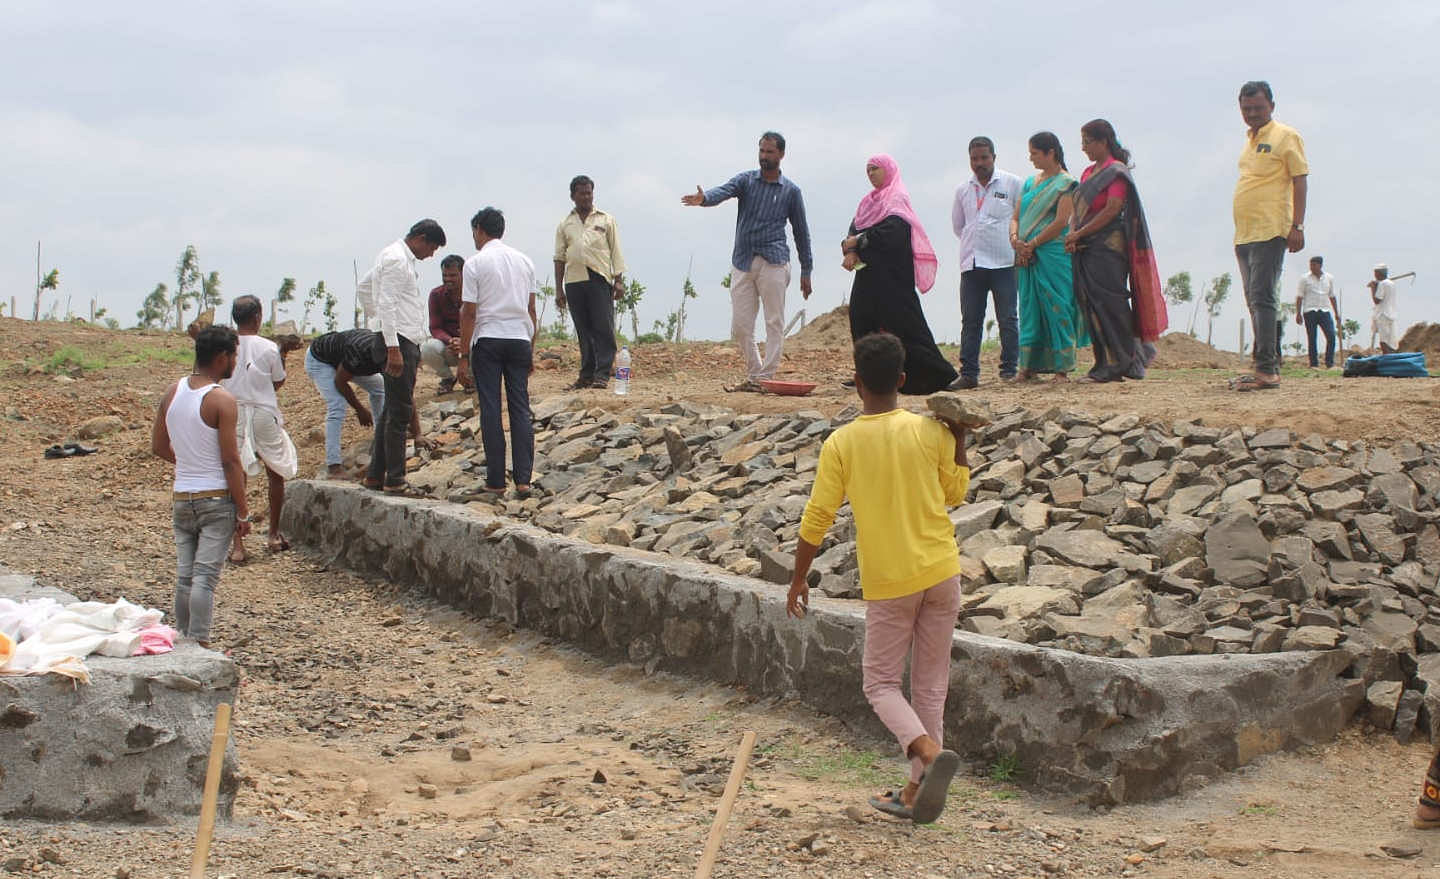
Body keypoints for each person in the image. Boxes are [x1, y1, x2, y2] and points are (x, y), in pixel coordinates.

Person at [787, 332, 968, 824]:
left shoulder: (842, 442)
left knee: (881, 684)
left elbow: (817, 517)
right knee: (930, 687)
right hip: (943, 571)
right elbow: (954, 493)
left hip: (893, 582)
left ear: (858, 382)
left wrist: (799, 578)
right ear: (903, 381)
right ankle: (914, 792)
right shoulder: (932, 431)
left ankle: (927, 753)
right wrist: (961, 439)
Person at [681, 131, 814, 392]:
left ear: (781, 155)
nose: (764, 157)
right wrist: (704, 198)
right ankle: (755, 373)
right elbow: (724, 191)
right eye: (762, 151)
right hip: (743, 261)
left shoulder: (791, 191)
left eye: (770, 152)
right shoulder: (746, 181)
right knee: (741, 326)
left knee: (774, 321)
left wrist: (806, 270)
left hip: (774, 261)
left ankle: (766, 377)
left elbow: (801, 232)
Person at [150, 326, 251, 648]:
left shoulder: (172, 392)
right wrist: (244, 511)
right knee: (205, 579)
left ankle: (181, 638)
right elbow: (231, 461)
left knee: (185, 577)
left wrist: (188, 465)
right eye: (234, 355)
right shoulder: (221, 400)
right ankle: (200, 641)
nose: (235, 361)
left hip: (183, 497)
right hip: (216, 499)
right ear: (222, 358)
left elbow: (159, 446)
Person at [841, 154, 958, 394]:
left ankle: (935, 375)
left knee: (904, 326)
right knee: (862, 321)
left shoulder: (896, 198)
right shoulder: (867, 203)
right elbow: (854, 228)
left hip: (893, 278)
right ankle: (868, 374)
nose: (871, 173)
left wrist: (858, 241)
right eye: (868, 170)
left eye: (876, 169)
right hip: (867, 275)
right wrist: (851, 248)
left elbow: (892, 233)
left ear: (889, 170)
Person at [1064, 120, 1167, 383]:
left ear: (1103, 142)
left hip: (1108, 248)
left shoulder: (1116, 172)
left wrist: (1081, 233)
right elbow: (1077, 210)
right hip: (1084, 248)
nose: (1084, 147)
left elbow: (1112, 209)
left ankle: (1121, 361)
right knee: (1090, 303)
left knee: (1111, 303)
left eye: (1088, 142)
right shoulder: (1088, 173)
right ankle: (1103, 362)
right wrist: (1073, 232)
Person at [1231, 80, 1308, 391]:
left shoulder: (1286, 136)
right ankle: (1265, 362)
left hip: (1271, 228)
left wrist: (1297, 226)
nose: (1252, 113)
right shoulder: (1249, 141)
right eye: (1247, 109)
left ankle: (1267, 370)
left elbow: (1300, 180)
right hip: (1245, 232)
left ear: (1271, 106)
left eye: (1258, 108)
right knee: (1254, 298)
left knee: (1263, 296)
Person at [458, 207, 538, 496]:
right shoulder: (524, 261)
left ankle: (495, 481)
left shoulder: (475, 263)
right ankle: (524, 479)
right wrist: (531, 347)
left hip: (489, 339)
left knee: (491, 409)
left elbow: (469, 313)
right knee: (520, 408)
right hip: (519, 339)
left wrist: (463, 356)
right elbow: (531, 310)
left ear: (479, 230)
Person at [367, 218, 446, 493]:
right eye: (432, 247)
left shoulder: (393, 256)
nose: (431, 254)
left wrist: (376, 323)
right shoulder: (397, 260)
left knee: (392, 408)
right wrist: (392, 346)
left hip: (400, 336)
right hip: (398, 339)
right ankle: (396, 479)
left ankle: (376, 474)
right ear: (421, 238)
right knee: (400, 413)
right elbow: (386, 302)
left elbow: (366, 289)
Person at [222, 295, 299, 561]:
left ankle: (238, 546)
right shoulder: (268, 347)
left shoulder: (225, 344)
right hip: (263, 412)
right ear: (258, 317)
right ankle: (273, 534)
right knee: (275, 470)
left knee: (235, 473)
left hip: (232, 411)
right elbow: (277, 381)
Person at [1011, 132, 1088, 381]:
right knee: (1030, 307)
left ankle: (1062, 368)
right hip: (1025, 256)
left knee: (1058, 305)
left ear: (1050, 153)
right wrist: (1015, 241)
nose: (1030, 158)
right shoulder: (1030, 183)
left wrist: (1032, 244)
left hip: (1052, 255)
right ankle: (1028, 367)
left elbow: (1060, 221)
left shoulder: (1066, 184)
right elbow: (1016, 217)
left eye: (1034, 153)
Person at [304, 328, 430, 478]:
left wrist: (418, 434)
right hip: (320, 359)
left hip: (346, 360)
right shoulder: (360, 352)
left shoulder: (399, 355)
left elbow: (405, 393)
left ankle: (379, 441)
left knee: (380, 389)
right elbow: (340, 381)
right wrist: (360, 410)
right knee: (337, 405)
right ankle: (333, 466)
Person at [950, 136, 1023, 389]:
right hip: (972, 264)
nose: (979, 163)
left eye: (984, 157)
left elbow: (1021, 218)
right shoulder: (963, 189)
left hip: (1004, 262)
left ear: (994, 157)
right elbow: (959, 226)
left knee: (1008, 319)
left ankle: (1009, 371)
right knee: (971, 320)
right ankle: (969, 374)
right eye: (974, 158)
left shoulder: (1013, 184)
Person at [554, 175, 627, 390]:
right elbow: (559, 257)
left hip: (599, 278)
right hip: (574, 280)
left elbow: (616, 251)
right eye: (581, 193)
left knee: (603, 327)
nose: (586, 197)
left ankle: (603, 374)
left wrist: (619, 280)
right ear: (573, 196)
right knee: (583, 329)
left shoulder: (605, 220)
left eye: (589, 192)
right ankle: (586, 374)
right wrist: (559, 290)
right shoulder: (565, 224)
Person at [420, 254, 467, 395]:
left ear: (463, 274)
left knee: (482, 345)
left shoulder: (476, 293)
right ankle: (447, 378)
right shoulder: (436, 295)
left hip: (471, 345)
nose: (448, 279)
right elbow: (435, 327)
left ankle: (471, 379)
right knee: (427, 348)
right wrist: (450, 340)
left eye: (453, 275)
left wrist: (464, 341)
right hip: (449, 345)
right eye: (445, 275)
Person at [1295, 255, 1340, 368]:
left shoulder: (1329, 278)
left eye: (1314, 265)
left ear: (1320, 265)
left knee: (1331, 336)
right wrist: (1298, 313)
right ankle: (1313, 364)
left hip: (1324, 310)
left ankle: (1329, 363)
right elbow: (1299, 296)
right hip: (1310, 311)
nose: (1312, 267)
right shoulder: (1304, 278)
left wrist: (1336, 313)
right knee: (1312, 338)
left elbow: (1332, 296)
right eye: (1310, 264)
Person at [1371, 263, 1399, 353]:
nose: (1374, 275)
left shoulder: (1382, 284)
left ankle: (1387, 358)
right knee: (1390, 340)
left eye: (1375, 273)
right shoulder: (1392, 284)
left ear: (1379, 273)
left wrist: (1373, 288)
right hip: (1391, 314)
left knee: (1384, 340)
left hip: (1382, 314)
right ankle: (1391, 357)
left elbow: (1377, 300)